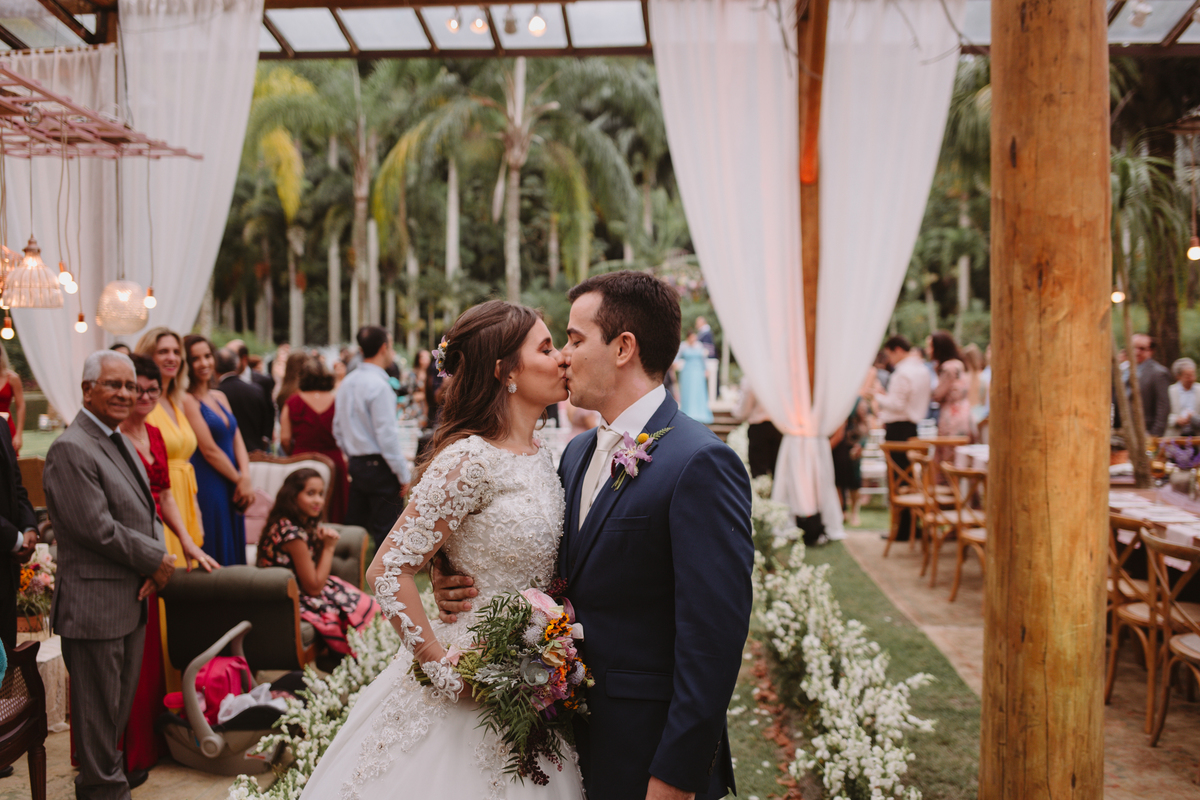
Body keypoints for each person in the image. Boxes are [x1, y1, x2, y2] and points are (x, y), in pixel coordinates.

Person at [437, 272, 753, 800]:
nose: (563, 355)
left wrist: (675, 777)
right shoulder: (576, 454)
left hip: (648, 755)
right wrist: (447, 570)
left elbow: (713, 641)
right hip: (564, 742)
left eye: (576, 340)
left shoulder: (699, 462)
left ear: (624, 347)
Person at [299, 300, 583, 798]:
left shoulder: (546, 455)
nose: (562, 357)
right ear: (504, 372)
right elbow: (387, 570)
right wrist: (441, 667)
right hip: (469, 676)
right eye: (546, 347)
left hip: (530, 676)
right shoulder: (469, 459)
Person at [44, 351, 176, 800]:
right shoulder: (70, 447)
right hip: (94, 607)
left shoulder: (118, 438)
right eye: (113, 385)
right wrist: (155, 562)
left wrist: (153, 562)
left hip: (130, 597)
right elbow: (98, 529)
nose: (126, 394)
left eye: (131, 385)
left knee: (115, 717)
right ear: (87, 391)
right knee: (99, 725)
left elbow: (147, 510)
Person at [119, 356, 218, 777]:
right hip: (127, 549)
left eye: (151, 390)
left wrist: (189, 543)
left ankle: (157, 738)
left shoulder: (155, 434)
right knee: (129, 660)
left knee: (158, 642)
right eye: (137, 389)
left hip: (164, 538)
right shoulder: (115, 438)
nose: (144, 396)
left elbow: (165, 496)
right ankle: (125, 752)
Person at [255, 469, 379, 654]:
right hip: (290, 599)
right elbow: (313, 587)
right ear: (292, 495)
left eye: (321, 494)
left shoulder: (289, 524)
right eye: (310, 493)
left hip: (300, 591)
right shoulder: (292, 535)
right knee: (356, 609)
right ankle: (362, 654)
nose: (318, 501)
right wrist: (329, 547)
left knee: (366, 604)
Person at [332, 326, 412, 550]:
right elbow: (386, 435)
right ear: (384, 348)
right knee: (387, 531)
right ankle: (385, 580)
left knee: (354, 528)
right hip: (379, 466)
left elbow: (337, 428)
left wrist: (352, 454)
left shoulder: (347, 382)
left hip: (357, 464)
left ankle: (348, 576)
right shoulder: (379, 386)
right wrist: (403, 474)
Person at [134, 328, 206, 566]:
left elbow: (186, 462)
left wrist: (196, 512)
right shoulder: (141, 405)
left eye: (176, 352)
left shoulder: (177, 401)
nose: (172, 357)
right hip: (158, 499)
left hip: (183, 498)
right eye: (163, 351)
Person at [183, 335, 252, 566]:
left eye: (207, 356)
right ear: (186, 363)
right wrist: (239, 480)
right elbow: (208, 449)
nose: (204, 363)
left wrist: (246, 478)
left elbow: (237, 439)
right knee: (217, 541)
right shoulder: (185, 400)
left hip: (233, 481)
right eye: (195, 359)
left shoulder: (220, 395)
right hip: (209, 481)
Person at [875, 335, 932, 541]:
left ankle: (902, 529)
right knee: (909, 478)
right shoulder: (922, 369)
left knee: (898, 479)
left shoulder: (903, 372)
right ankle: (911, 526)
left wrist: (877, 396)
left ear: (897, 349)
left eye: (889, 354)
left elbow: (897, 404)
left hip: (898, 429)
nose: (889, 359)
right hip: (912, 429)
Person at [281, 355, 348, 523]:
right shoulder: (337, 400)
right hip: (333, 462)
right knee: (334, 511)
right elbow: (345, 434)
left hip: (302, 460)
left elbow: (284, 438)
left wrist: (295, 452)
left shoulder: (292, 401)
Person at [0, 405, 37, 658]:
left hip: (5, 570)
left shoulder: (1, 425)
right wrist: (14, 539)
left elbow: (16, 485)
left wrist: (29, 527)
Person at [831, 369, 877, 527]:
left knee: (854, 481)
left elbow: (866, 425)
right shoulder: (835, 400)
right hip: (836, 445)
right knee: (837, 480)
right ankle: (840, 511)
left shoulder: (858, 401)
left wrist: (861, 445)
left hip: (852, 446)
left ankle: (854, 513)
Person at [215, 348, 274, 453]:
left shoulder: (216, 394)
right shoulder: (256, 389)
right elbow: (268, 416)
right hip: (256, 451)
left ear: (215, 368)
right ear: (237, 365)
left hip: (229, 452)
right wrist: (264, 439)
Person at [930, 331, 971, 468]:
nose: (927, 350)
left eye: (930, 346)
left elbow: (938, 394)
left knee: (948, 456)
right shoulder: (959, 364)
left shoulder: (948, 368)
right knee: (959, 455)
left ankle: (949, 486)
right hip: (964, 413)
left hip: (951, 416)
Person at [734, 377, 783, 478]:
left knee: (760, 473)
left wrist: (736, 412)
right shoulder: (782, 374)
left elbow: (744, 407)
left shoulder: (753, 376)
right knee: (779, 472)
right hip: (780, 427)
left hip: (759, 429)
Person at [1130, 333, 1172, 437]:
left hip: (1146, 432)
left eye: (1142, 349)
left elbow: (1163, 407)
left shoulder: (1158, 373)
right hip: (1124, 432)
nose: (1136, 352)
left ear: (1151, 351)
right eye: (1133, 348)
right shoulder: (1123, 371)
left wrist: (1154, 435)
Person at [674, 330, 713, 423]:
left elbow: (703, 359)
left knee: (698, 391)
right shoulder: (683, 346)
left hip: (698, 371)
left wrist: (706, 369)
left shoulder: (699, 345)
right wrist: (675, 363)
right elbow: (676, 356)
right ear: (688, 337)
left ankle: (699, 411)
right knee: (688, 391)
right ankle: (688, 411)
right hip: (687, 372)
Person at [0, 344, 24, 453]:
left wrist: (19, 434)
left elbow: (21, 406)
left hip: (6, 426)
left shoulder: (12, 378)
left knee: (9, 461)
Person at [1169, 357, 1199, 437]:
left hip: (1196, 435)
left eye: (1193, 375)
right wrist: (1176, 420)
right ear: (1178, 376)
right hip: (1176, 435)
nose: (1191, 379)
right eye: (1188, 376)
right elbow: (1163, 415)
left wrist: (1194, 418)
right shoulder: (1170, 391)